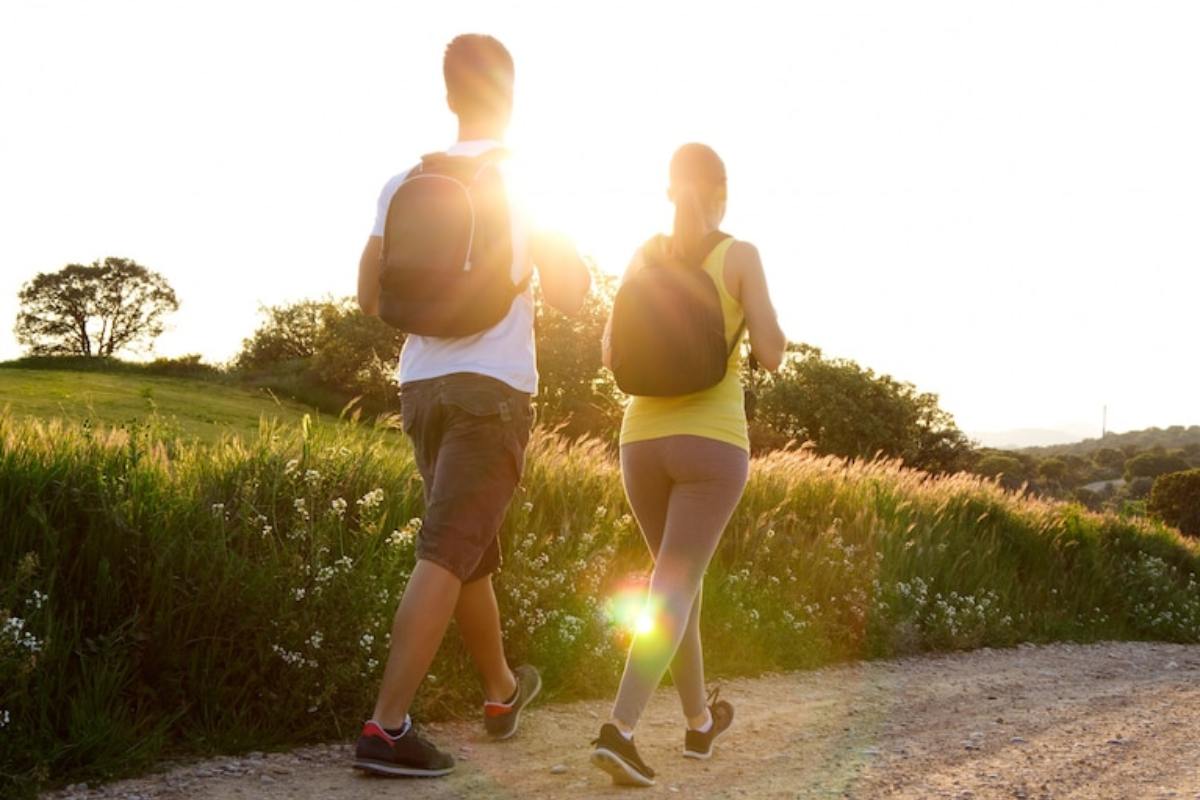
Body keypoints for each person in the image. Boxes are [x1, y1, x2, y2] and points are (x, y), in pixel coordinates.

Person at [353, 33, 591, 777]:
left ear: (450, 98)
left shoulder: (402, 182)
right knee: (448, 551)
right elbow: (572, 296)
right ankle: (386, 728)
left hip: (420, 385)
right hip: (493, 390)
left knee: (468, 554)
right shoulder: (524, 186)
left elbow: (370, 295)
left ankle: (500, 692)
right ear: (510, 100)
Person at [593, 143, 787, 786]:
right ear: (722, 192)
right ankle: (618, 730)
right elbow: (772, 353)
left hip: (639, 441)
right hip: (711, 443)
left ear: (670, 190)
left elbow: (609, 349)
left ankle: (700, 723)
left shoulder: (643, 254)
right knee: (672, 587)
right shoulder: (741, 256)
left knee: (679, 587)